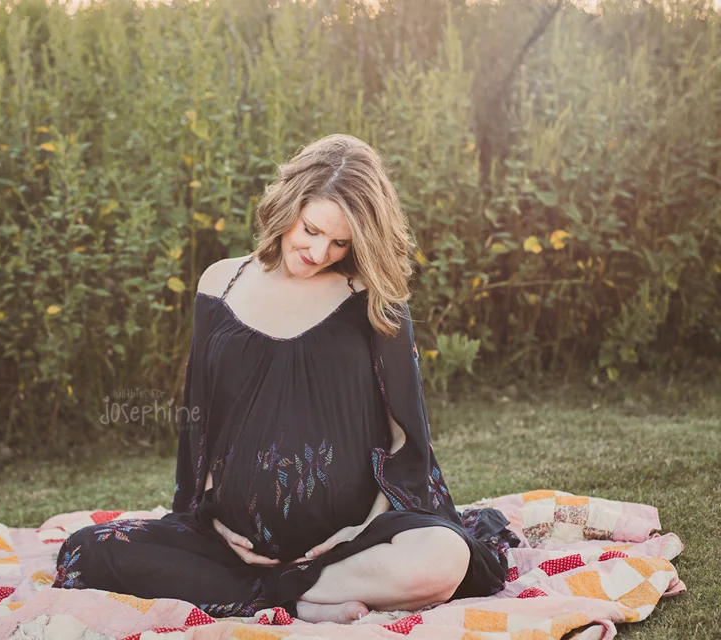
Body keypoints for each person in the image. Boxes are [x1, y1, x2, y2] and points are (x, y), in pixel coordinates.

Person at [52, 134, 519, 624]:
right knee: (87, 550)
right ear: (287, 204)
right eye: (311, 229)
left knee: (444, 557)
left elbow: (405, 432)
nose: (319, 251)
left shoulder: (374, 299)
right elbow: (203, 420)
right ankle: (304, 597)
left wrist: (369, 523)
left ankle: (286, 592)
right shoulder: (219, 284)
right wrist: (210, 513)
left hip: (353, 541)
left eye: (340, 242)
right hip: (237, 546)